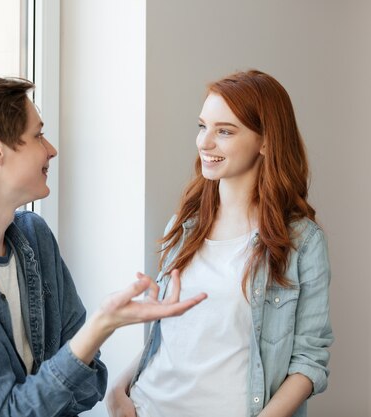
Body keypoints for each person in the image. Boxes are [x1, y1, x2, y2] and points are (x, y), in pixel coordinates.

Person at [0, 73, 207, 417]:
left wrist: (59, 376)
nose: (51, 149)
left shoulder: (34, 237)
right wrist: (100, 326)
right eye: (37, 135)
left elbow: (91, 382)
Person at [106, 70, 333, 417]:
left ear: (266, 141)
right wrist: (119, 388)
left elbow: (309, 360)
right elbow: (173, 332)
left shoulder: (301, 241)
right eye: (202, 126)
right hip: (147, 406)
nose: (204, 142)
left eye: (224, 131)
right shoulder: (184, 224)